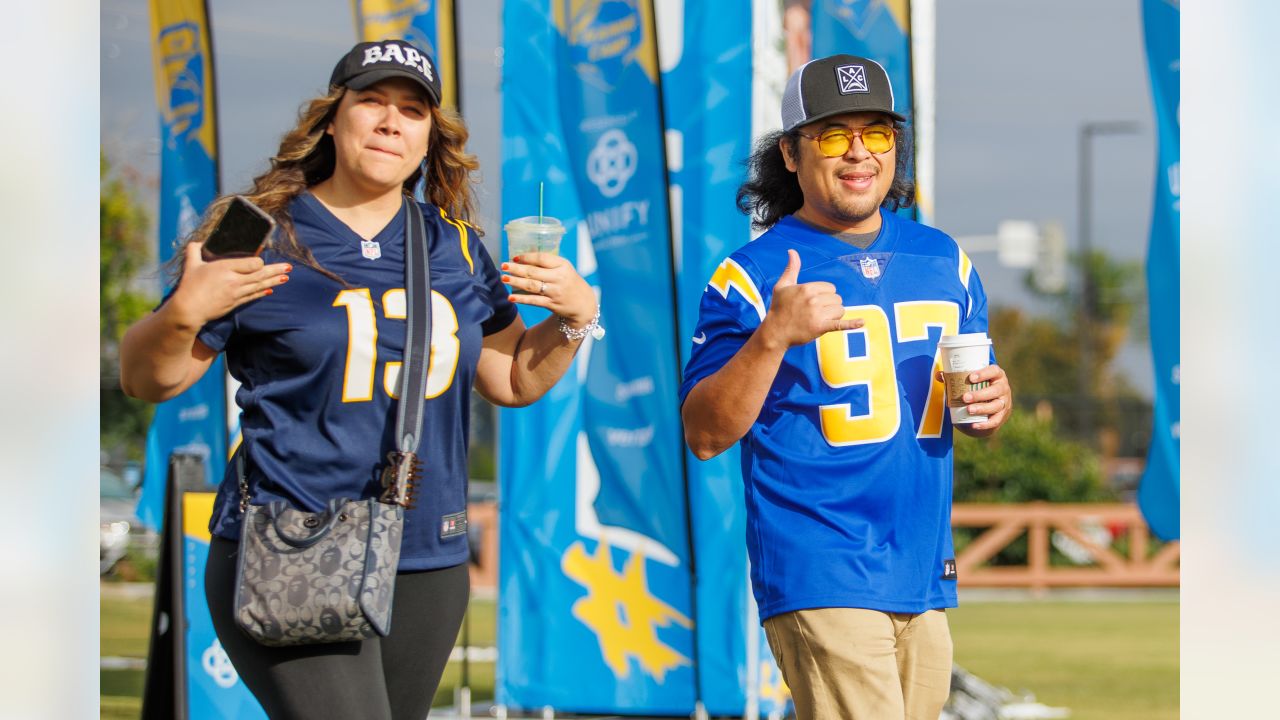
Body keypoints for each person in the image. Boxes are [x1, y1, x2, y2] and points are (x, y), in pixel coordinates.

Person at [120, 39, 600, 720]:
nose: (389, 121)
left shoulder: (457, 246)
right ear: (331, 119)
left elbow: (515, 379)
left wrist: (578, 320)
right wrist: (184, 312)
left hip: (428, 556)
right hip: (291, 542)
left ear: (430, 136)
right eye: (371, 100)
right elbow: (146, 379)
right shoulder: (263, 234)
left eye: (411, 109)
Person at [679, 54, 1013, 719]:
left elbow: (968, 406)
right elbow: (705, 433)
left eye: (877, 133)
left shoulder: (945, 258)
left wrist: (991, 405)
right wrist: (772, 336)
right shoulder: (751, 275)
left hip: (923, 570)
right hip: (820, 564)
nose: (859, 152)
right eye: (835, 135)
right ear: (793, 154)